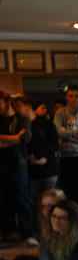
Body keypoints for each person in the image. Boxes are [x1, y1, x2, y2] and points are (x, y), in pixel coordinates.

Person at [0, 92, 33, 242]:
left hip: (18, 164)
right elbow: (16, 139)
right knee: (4, 198)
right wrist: (13, 138)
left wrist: (8, 140)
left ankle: (28, 234)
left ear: (7, 102)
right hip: (2, 164)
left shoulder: (22, 119)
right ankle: (8, 232)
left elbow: (23, 138)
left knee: (22, 198)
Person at [54, 85, 78, 203]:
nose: (73, 99)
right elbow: (57, 132)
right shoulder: (60, 113)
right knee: (67, 195)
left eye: (76, 96)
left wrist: (66, 134)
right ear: (66, 97)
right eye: (71, 96)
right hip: (65, 158)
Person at [18, 100, 60, 204]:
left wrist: (44, 157)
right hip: (33, 172)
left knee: (50, 202)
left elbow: (55, 145)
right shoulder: (23, 125)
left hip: (49, 169)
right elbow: (23, 145)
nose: (18, 110)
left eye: (19, 106)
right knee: (34, 202)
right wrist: (29, 157)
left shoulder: (48, 124)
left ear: (28, 107)